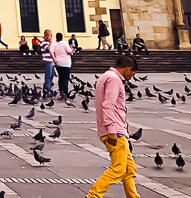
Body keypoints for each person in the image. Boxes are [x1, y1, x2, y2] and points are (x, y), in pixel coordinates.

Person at [87, 55, 140, 198]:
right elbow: (108, 105)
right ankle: (92, 196)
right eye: (133, 72)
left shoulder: (106, 76)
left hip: (114, 129)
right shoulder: (114, 79)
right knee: (118, 169)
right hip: (115, 131)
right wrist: (112, 129)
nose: (133, 76)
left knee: (129, 169)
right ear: (128, 69)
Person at [51, 32, 74, 98]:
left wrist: (54, 60)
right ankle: (65, 92)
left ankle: (61, 91)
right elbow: (69, 51)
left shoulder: (53, 44)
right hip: (66, 63)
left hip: (58, 62)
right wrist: (71, 48)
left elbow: (51, 52)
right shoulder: (64, 43)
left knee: (60, 78)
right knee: (65, 78)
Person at [40, 29, 56, 95]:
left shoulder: (49, 42)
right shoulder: (43, 42)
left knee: (52, 75)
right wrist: (51, 42)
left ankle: (50, 87)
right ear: (46, 35)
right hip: (47, 60)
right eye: (50, 34)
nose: (51, 36)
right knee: (48, 75)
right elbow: (48, 48)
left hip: (51, 60)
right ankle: (47, 88)